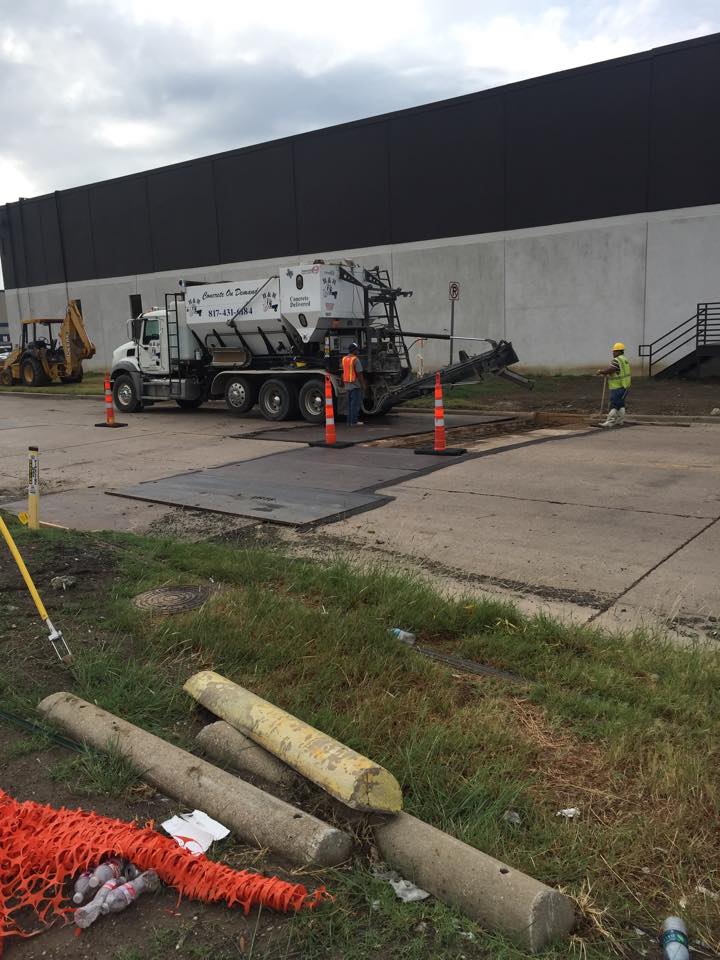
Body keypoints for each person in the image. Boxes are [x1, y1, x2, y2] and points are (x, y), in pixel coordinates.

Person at [596, 342, 631, 428]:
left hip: (617, 387)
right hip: (625, 385)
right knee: (620, 404)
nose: (613, 353)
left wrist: (601, 372)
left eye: (614, 351)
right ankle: (620, 421)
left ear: (618, 351)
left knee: (614, 404)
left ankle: (610, 421)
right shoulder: (625, 359)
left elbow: (611, 369)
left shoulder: (617, 360)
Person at [341, 342, 367, 426]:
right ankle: (354, 422)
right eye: (357, 350)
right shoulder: (356, 360)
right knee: (354, 405)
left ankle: (349, 422)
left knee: (348, 405)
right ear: (354, 350)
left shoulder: (344, 359)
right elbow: (359, 374)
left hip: (347, 385)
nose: (358, 351)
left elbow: (343, 372)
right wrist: (363, 384)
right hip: (355, 385)